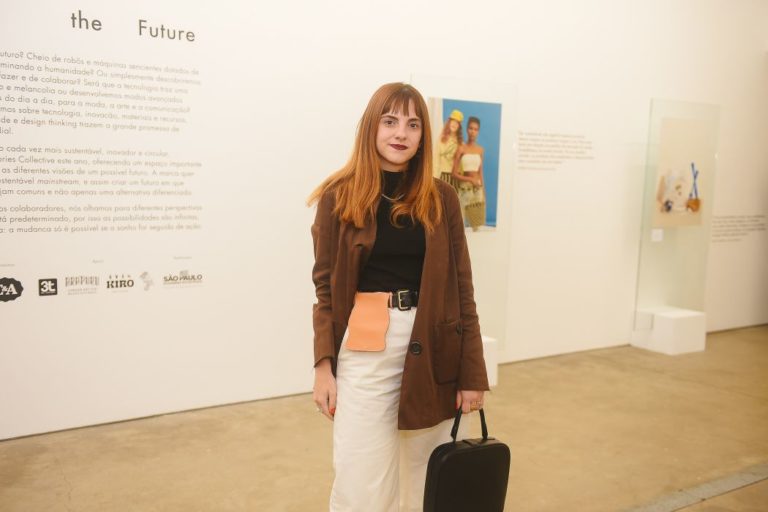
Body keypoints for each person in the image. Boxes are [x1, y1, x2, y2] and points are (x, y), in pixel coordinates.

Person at [308, 82, 489, 512]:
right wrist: (323, 366)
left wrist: (472, 373)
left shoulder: (442, 198)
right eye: (390, 121)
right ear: (371, 126)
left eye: (412, 124)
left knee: (429, 477)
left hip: (435, 344)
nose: (401, 133)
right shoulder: (338, 195)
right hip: (366, 346)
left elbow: (463, 288)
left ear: (423, 135)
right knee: (361, 480)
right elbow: (324, 287)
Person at [451, 116, 486, 231]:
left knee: (476, 225)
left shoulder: (480, 150)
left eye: (475, 129)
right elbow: (453, 174)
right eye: (471, 128)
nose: (473, 132)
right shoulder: (461, 149)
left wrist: (483, 192)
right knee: (461, 224)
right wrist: (470, 180)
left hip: (477, 190)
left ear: (478, 131)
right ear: (467, 129)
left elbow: (480, 172)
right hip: (465, 190)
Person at [434, 109, 464, 184]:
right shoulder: (441, 139)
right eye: (453, 121)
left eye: (457, 123)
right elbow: (435, 160)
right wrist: (434, 178)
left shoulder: (460, 143)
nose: (454, 124)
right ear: (449, 122)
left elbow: (461, 165)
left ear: (459, 126)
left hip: (456, 177)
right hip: (444, 175)